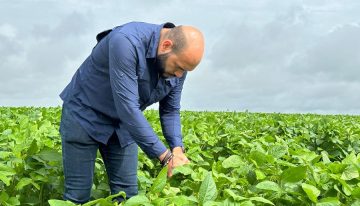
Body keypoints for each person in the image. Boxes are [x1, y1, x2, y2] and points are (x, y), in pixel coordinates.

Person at [59, 21, 205, 204]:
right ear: (166, 46)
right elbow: (127, 107)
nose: (179, 75)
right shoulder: (126, 42)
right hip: (85, 115)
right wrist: (166, 157)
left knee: (128, 197)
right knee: (77, 196)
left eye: (185, 71)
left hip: (122, 126)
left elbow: (170, 109)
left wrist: (177, 149)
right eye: (179, 67)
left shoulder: (178, 64)